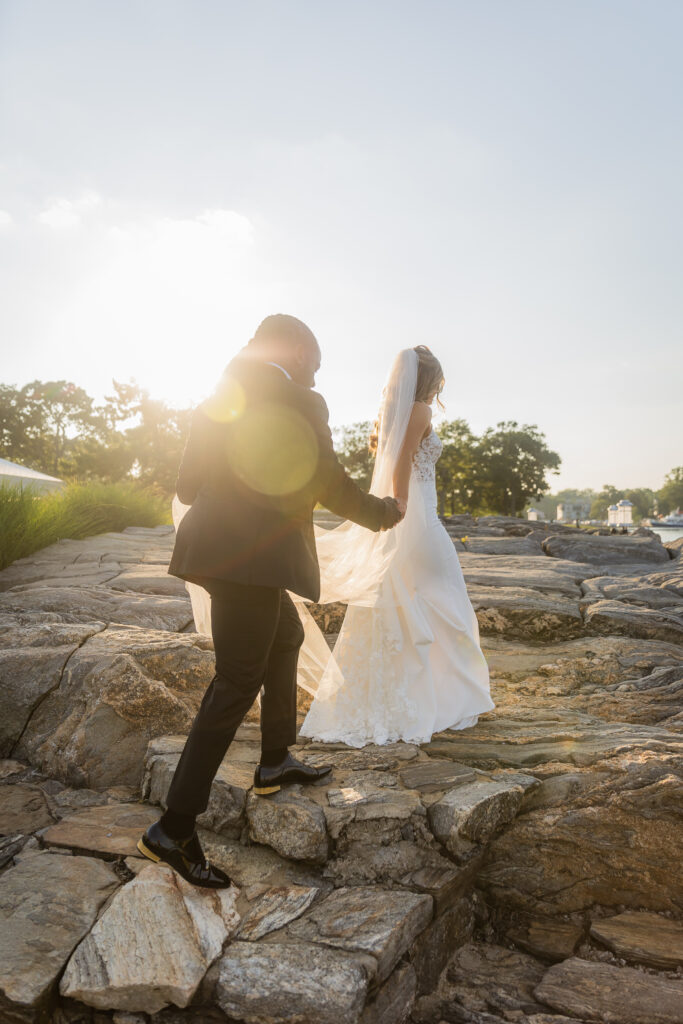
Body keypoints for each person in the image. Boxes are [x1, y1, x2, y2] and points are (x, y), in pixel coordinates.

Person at [137, 314, 403, 888]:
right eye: (317, 361)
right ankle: (174, 828)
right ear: (299, 352)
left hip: (215, 550)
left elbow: (186, 486)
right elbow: (327, 479)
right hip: (252, 564)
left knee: (288, 636)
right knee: (236, 681)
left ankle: (276, 757)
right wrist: (381, 513)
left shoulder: (219, 394)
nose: (316, 372)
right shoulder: (304, 401)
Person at [298, 345, 495, 746]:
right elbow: (404, 458)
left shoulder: (396, 412)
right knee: (443, 598)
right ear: (428, 379)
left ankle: (423, 696)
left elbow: (398, 455)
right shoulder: (420, 409)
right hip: (420, 516)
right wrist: (402, 503)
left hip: (417, 513)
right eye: (438, 379)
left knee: (414, 598)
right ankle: (440, 697)